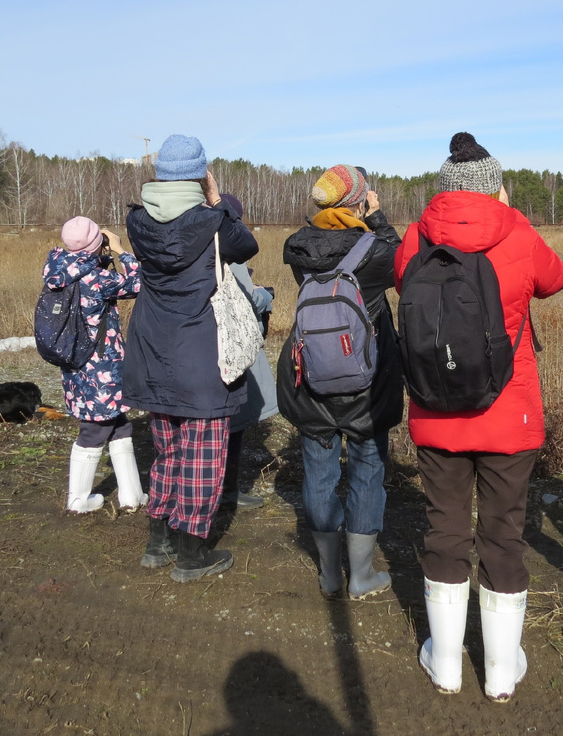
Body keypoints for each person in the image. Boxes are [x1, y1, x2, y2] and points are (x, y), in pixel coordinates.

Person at [395, 132, 563, 701]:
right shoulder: (517, 231)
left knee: (444, 531)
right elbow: (556, 279)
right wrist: (510, 212)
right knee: (503, 535)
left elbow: (404, 285)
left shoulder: (416, 238)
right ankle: (499, 670)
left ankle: (445, 663)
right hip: (508, 415)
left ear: (444, 188)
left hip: (435, 410)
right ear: (496, 185)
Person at [122, 135, 259, 582]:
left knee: (167, 452)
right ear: (200, 173)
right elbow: (246, 246)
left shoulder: (138, 221)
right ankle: (191, 554)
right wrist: (218, 199)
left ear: (159, 173)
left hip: (152, 350)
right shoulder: (214, 221)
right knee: (203, 457)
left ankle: (156, 544)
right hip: (201, 352)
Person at [277, 164, 403, 600]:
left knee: (318, 471)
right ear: (358, 200)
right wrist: (378, 218)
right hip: (367, 381)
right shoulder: (376, 249)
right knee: (368, 469)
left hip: (311, 374)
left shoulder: (298, 247)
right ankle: (362, 576)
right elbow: (401, 262)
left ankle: (330, 573)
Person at [42, 216, 146, 514]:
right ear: (95, 244)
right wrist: (120, 250)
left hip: (75, 361)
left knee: (119, 424)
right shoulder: (97, 278)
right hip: (102, 363)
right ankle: (78, 500)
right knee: (95, 428)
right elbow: (139, 283)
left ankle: (131, 495)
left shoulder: (57, 270)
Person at [219, 192, 279, 509]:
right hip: (233, 348)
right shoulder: (232, 250)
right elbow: (245, 300)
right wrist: (266, 297)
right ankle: (227, 492)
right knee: (234, 423)